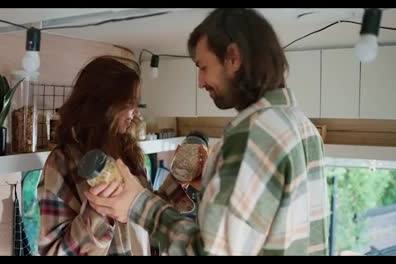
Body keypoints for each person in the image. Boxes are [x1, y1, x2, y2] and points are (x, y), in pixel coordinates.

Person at [85, 8, 330, 256]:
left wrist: (139, 204)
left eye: (203, 67)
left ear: (233, 57)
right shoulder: (303, 128)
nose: (200, 82)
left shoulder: (251, 135)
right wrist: (216, 183)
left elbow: (208, 252)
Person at [37, 55, 154, 255]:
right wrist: (100, 210)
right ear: (104, 105)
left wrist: (178, 181)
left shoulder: (130, 155)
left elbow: (149, 217)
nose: (136, 112)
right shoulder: (62, 163)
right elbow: (54, 252)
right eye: (129, 103)